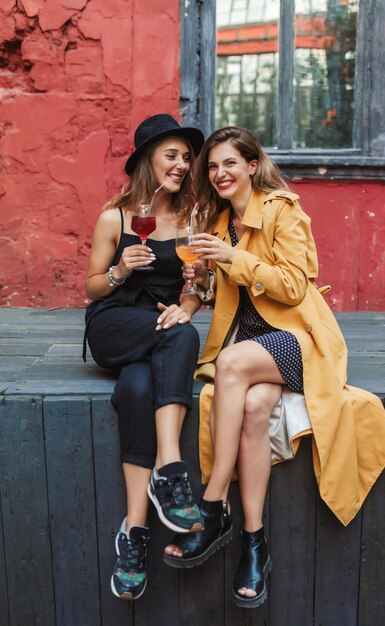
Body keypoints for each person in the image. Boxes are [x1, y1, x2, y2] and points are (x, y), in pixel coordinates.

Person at [162, 126, 385, 608]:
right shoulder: (217, 221)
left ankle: (211, 507)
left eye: (230, 163)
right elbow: (213, 292)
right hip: (251, 340)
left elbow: (293, 287)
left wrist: (235, 258)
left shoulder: (283, 210)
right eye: (212, 166)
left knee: (230, 365)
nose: (219, 173)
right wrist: (196, 288)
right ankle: (254, 540)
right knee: (252, 409)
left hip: (298, 338)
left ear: (252, 165)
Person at [83, 113, 205, 601]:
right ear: (147, 162)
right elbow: (92, 288)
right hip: (115, 325)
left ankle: (134, 530)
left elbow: (197, 291)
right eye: (171, 155)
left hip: (155, 330)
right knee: (182, 338)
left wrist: (189, 299)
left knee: (136, 386)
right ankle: (170, 470)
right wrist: (118, 270)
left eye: (185, 157)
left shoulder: (194, 218)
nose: (181, 164)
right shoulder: (115, 217)